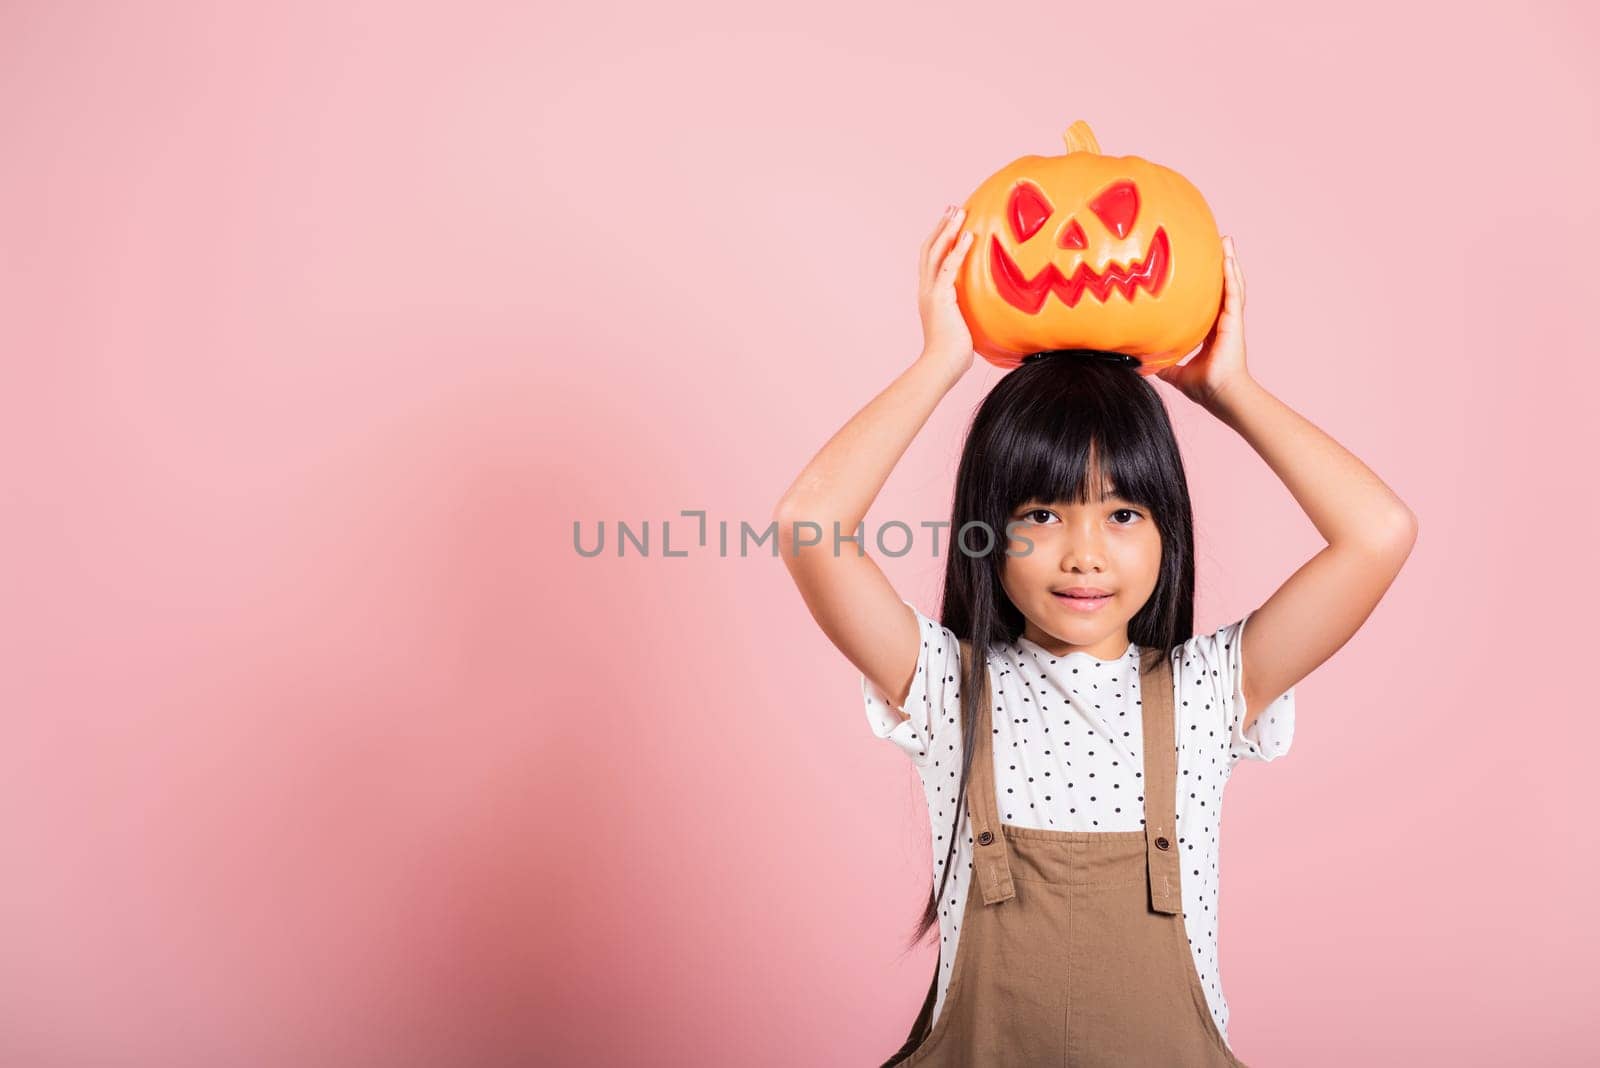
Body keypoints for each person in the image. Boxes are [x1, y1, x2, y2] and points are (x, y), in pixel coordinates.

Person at [772, 204, 1418, 1065]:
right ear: (985, 532)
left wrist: (1233, 391)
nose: (1084, 554)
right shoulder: (943, 686)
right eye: (1041, 512)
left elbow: (1378, 532)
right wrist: (939, 363)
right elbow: (810, 524)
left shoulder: (1208, 689)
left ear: (1168, 534)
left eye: (1122, 512)